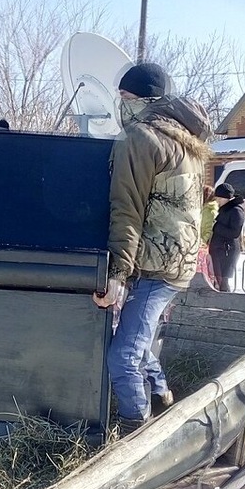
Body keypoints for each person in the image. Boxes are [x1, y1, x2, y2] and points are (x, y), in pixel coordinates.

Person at [94, 62, 212, 433]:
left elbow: (127, 210)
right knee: (139, 340)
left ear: (146, 100)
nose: (121, 104)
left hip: (155, 267)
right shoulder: (184, 140)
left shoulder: (140, 139)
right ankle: (160, 394)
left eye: (125, 98)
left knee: (122, 356)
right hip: (177, 262)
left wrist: (116, 272)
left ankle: (136, 429)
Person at [208, 182, 245, 292]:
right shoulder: (224, 209)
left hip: (227, 250)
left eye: (220, 198)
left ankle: (226, 303)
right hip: (219, 249)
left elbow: (235, 233)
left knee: (223, 281)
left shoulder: (236, 211)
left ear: (227, 198)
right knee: (218, 280)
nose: (217, 201)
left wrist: (215, 226)